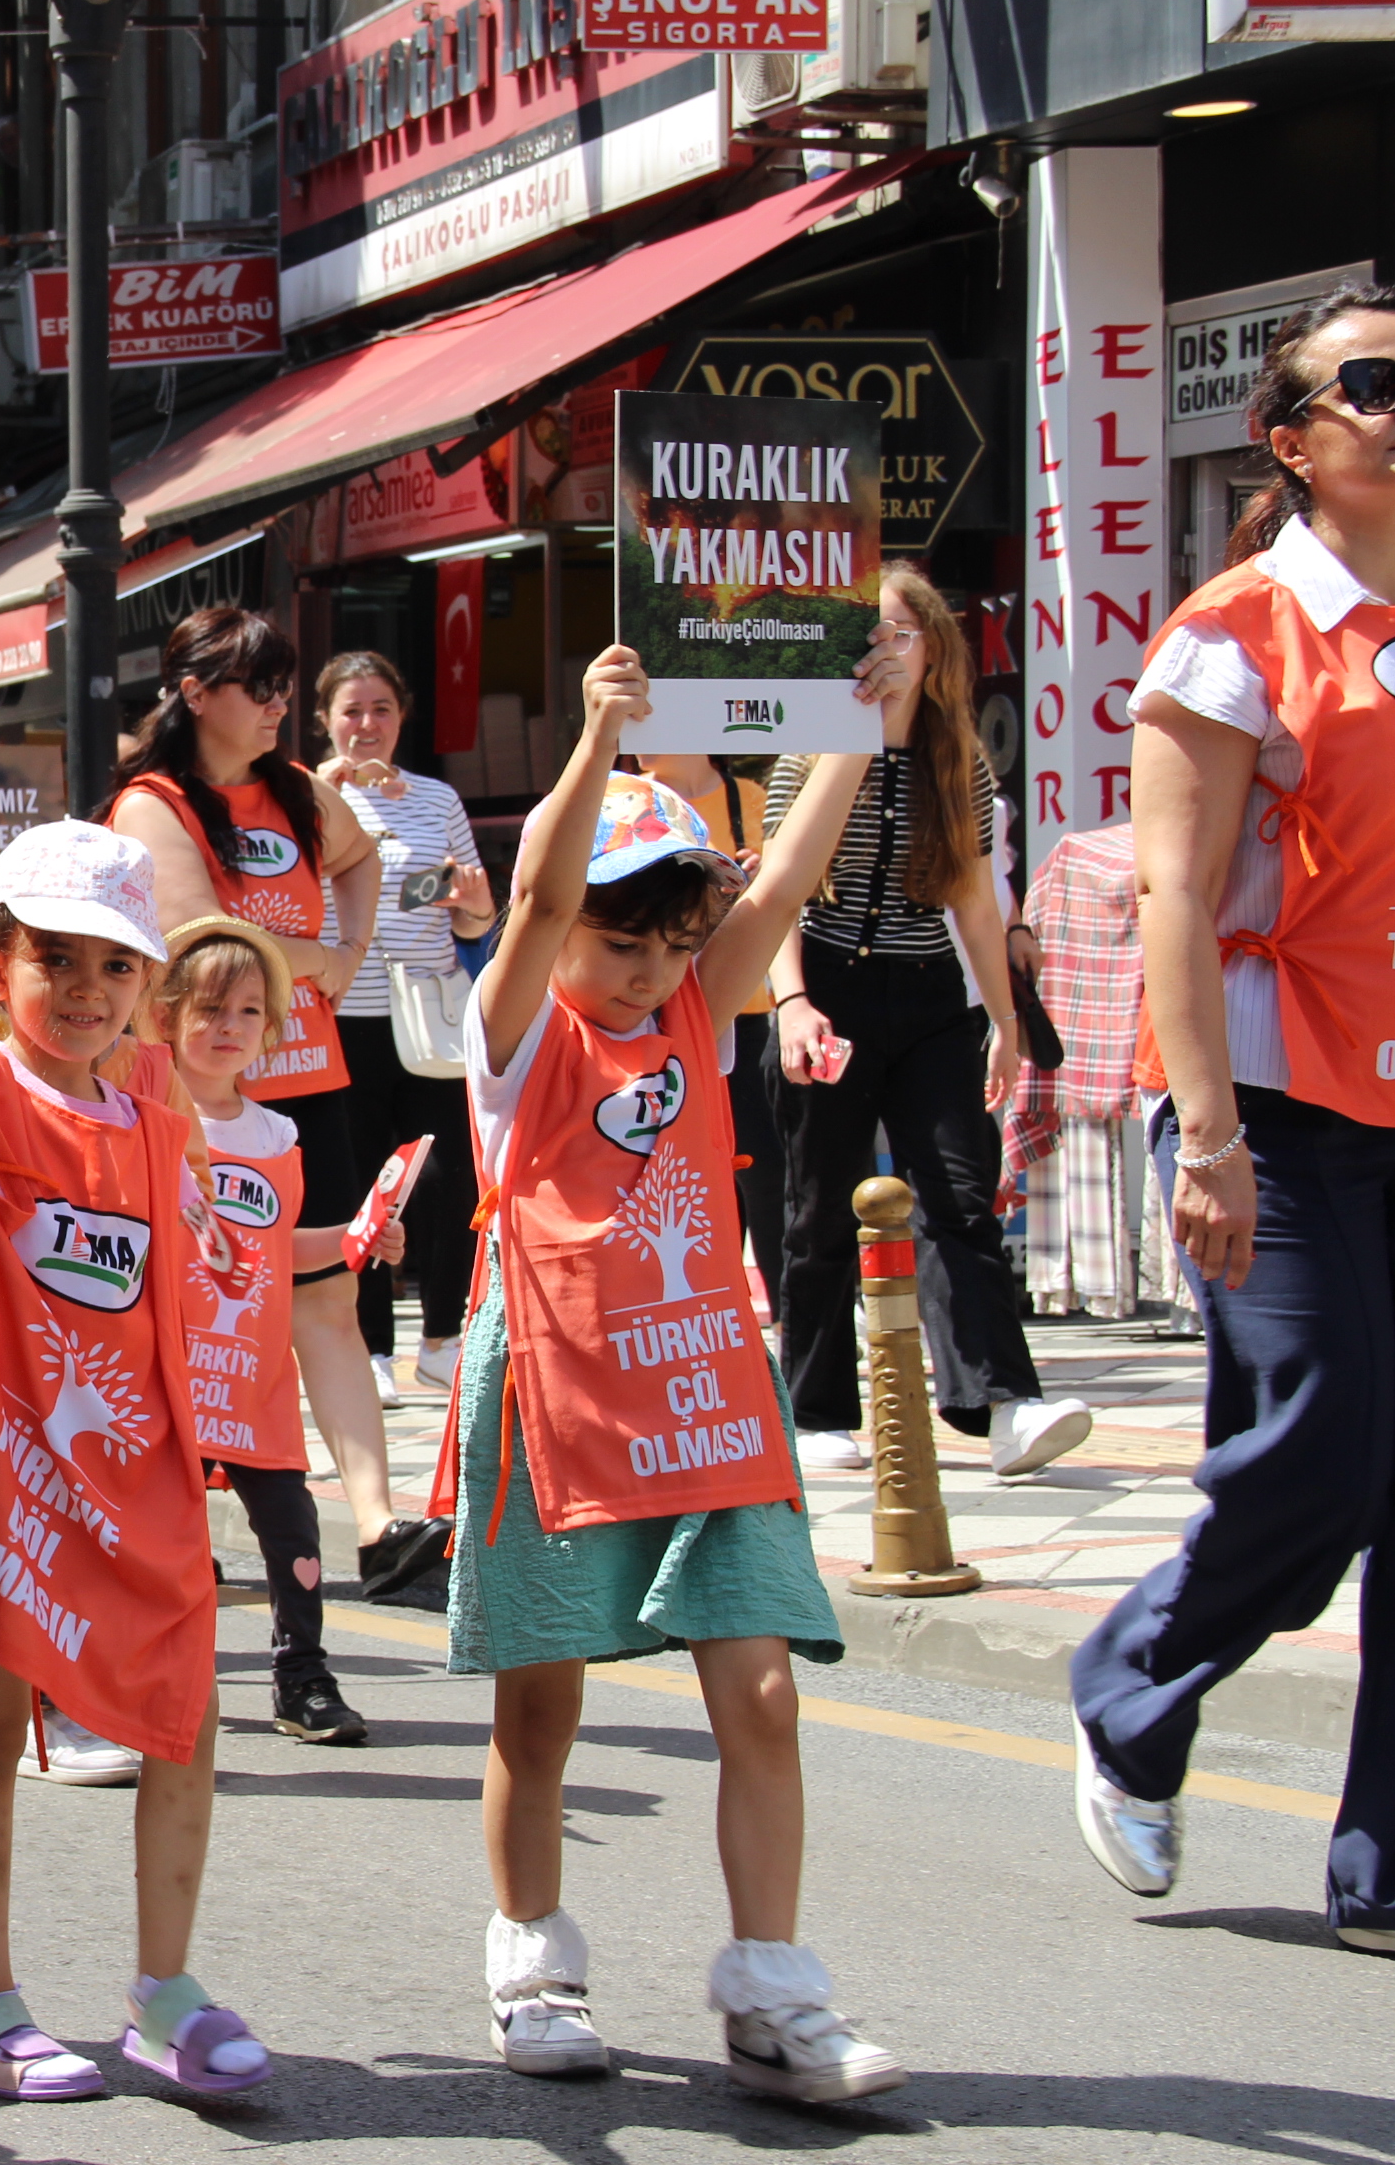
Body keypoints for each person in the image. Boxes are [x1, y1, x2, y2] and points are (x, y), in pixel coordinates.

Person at [1070, 282, 1395, 1976]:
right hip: (1288, 1103)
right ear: (1294, 439)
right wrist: (1205, 1136)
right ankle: (1131, 1686)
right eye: (1372, 384)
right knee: (1326, 1445)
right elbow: (1176, 901)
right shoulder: (1234, 629)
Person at [453, 643, 907, 2102]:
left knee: (762, 1693)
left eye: (667, 941)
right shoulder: (513, 1034)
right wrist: (594, 736)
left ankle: (771, 1989)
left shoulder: (702, 1010)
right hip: (552, 1387)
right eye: (620, 939)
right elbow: (536, 894)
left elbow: (782, 886)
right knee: (543, 1706)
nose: (645, 968)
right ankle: (534, 1963)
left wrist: (858, 719)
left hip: (707, 1378)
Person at [0, 797, 273, 2101]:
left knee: (184, 1716)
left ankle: (165, 1992)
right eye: (55, 958)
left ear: (146, 985)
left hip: (135, 1479)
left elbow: (159, 1305)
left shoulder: (159, 1127)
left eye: (113, 964)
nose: (86, 990)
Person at [107, 608, 431, 1604]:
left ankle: (379, 1528)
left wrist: (351, 951)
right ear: (197, 693)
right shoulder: (152, 803)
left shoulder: (296, 792)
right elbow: (195, 933)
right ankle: (177, 1521)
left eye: (287, 689)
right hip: (192, 1096)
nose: (281, 708)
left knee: (328, 1300)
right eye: (263, 688)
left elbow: (365, 856)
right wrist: (315, 957)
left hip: (306, 1085)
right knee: (187, 1312)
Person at [765, 565, 1087, 1480]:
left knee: (957, 1192)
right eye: (869, 634)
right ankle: (818, 1410)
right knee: (819, 1207)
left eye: (903, 632)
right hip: (827, 982)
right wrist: (792, 1003)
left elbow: (978, 906)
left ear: (934, 647)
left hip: (931, 994)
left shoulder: (959, 759)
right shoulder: (811, 746)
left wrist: (1006, 1024)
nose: (885, 650)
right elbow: (779, 892)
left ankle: (1000, 1402)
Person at [147, 914, 402, 1747]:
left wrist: (358, 1237)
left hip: (254, 1380)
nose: (229, 1029)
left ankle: (303, 1677)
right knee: (158, 1541)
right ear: (165, 1015)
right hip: (166, 1379)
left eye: (250, 1013)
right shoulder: (140, 1118)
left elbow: (279, 1248)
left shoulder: (278, 1135)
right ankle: (138, 1675)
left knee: (291, 1533)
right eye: (211, 1010)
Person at [317, 652, 492, 1403]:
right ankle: (372, 1347)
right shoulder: (303, 796)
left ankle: (442, 1337)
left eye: (380, 709)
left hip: (427, 1013)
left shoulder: (435, 798)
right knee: (358, 1185)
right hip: (342, 1013)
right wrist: (323, 795)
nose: (366, 725)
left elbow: (478, 912)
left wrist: (473, 904)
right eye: (351, 711)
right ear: (325, 719)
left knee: (449, 1180)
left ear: (402, 716)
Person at [633, 752, 785, 1314]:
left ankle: (778, 1310)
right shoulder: (626, 797)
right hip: (660, 1011)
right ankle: (704, 1303)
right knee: (685, 1171)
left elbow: (790, 897)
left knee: (765, 1170)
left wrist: (757, 882)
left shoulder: (752, 797)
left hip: (746, 1008)